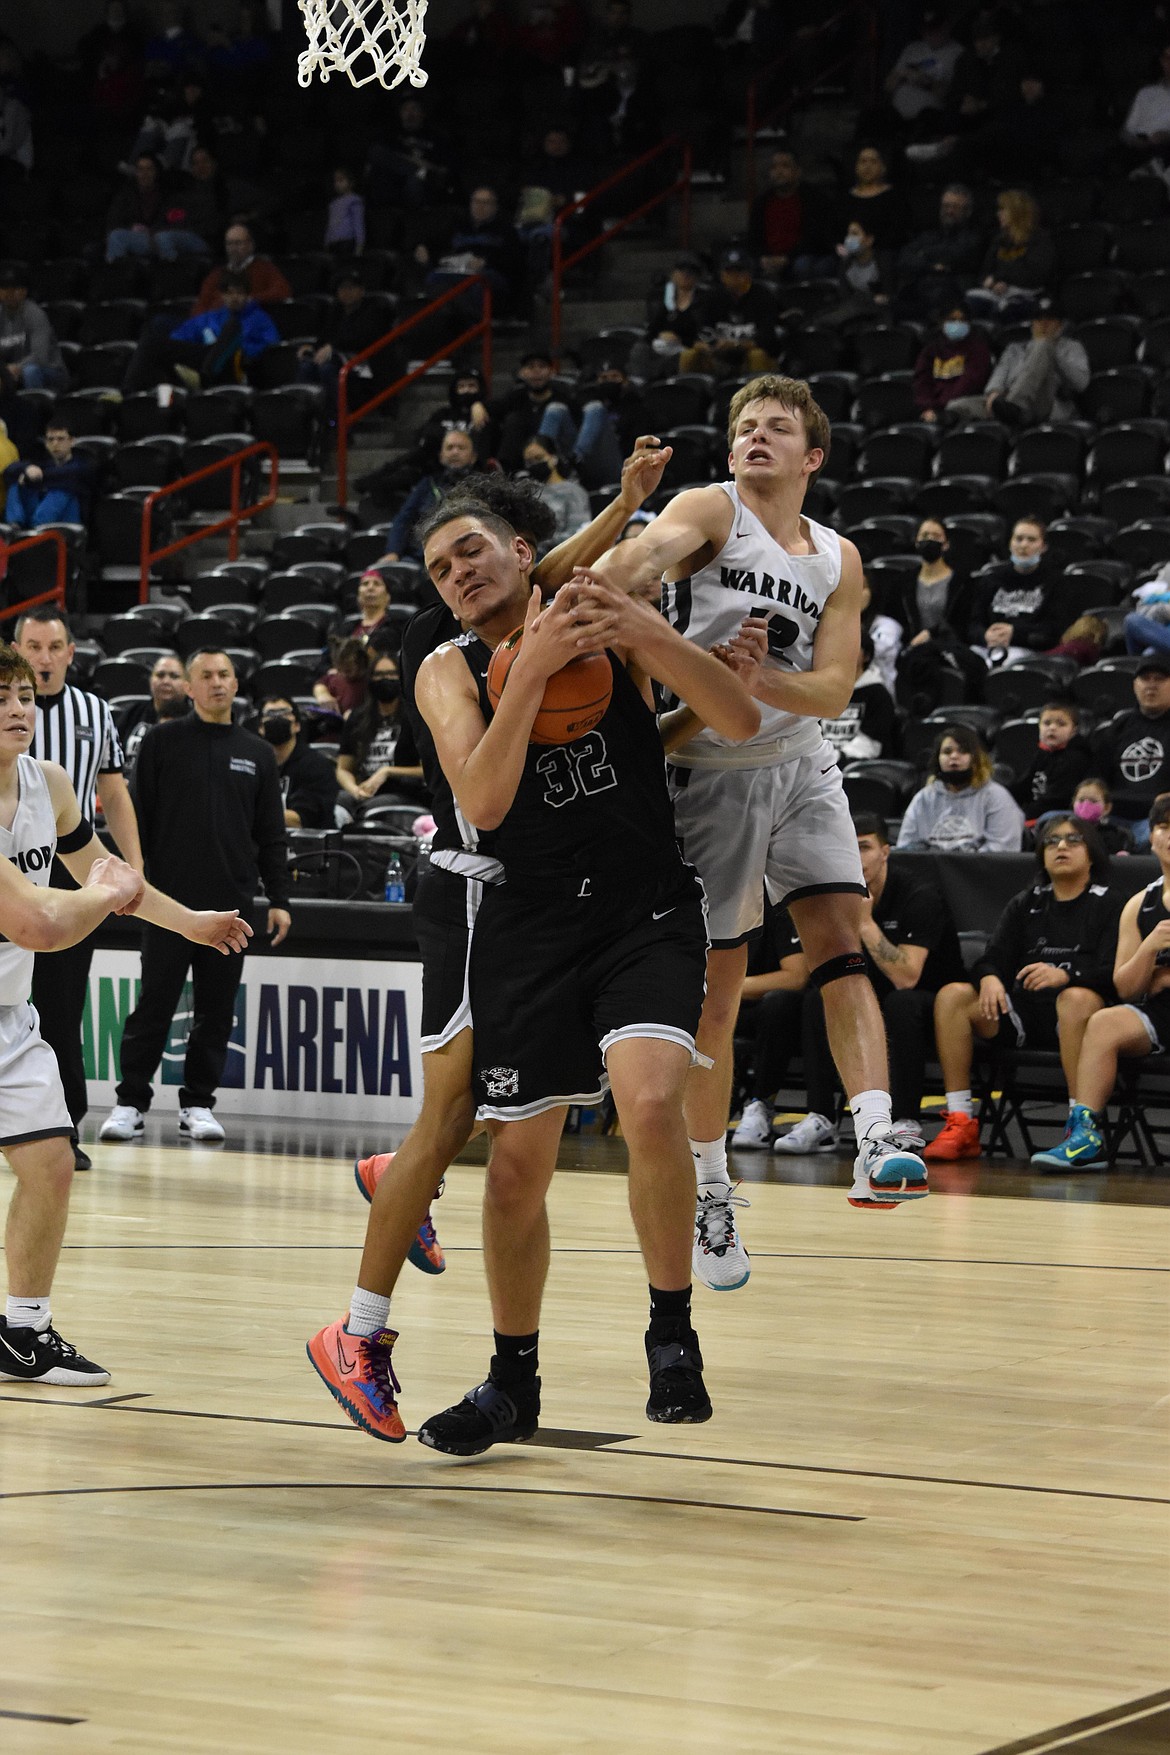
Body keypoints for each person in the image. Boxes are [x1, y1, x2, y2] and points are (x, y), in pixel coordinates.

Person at [311, 499, 758, 1454]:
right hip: (531, 923)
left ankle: (671, 1333)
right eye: (438, 568)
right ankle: (513, 1380)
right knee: (514, 1169)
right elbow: (481, 795)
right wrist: (529, 674)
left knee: (647, 1105)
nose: (457, 571)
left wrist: (640, 628)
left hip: (643, 910)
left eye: (471, 550)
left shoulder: (608, 610)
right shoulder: (444, 669)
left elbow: (734, 714)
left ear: (523, 552)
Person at [588, 374, 933, 1274]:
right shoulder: (711, 508)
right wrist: (623, 575)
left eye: (776, 428)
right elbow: (649, 552)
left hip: (802, 760)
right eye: (744, 426)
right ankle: (710, 1190)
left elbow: (832, 685)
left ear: (812, 455)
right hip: (707, 777)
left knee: (844, 934)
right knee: (719, 996)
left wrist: (760, 683)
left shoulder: (837, 557)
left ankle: (873, 1136)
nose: (754, 438)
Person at [0, 643, 250, 1389]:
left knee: (50, 1163)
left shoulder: (48, 781)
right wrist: (106, 897)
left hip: (9, 1015)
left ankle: (24, 1331)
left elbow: (109, 876)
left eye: (22, 694)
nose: (17, 707)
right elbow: (39, 924)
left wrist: (191, 922)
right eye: (0, 696)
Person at [99, 649, 291, 1146]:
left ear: (236, 682)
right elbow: (134, 818)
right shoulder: (161, 742)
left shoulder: (259, 752)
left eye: (224, 674)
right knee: (154, 1002)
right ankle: (130, 1102)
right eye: (205, 676)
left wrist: (280, 899)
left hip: (232, 905)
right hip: (165, 905)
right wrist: (136, 881)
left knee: (216, 1007)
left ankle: (199, 1104)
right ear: (188, 687)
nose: (216, 683)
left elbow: (271, 835)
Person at [14, 609, 142, 1173]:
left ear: (71, 652)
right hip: (15, 868)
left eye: (54, 646)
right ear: (17, 649)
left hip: (72, 868)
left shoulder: (95, 711)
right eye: (33, 646)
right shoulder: (8, 711)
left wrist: (132, 871)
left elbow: (114, 794)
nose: (43, 657)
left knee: (62, 1010)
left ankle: (62, 1127)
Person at [926, 815, 1122, 1163]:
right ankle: (961, 1122)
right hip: (1023, 1016)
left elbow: (1115, 975)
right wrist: (988, 976)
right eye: (1051, 841)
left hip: (1086, 1019)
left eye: (1073, 840)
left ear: (1092, 854)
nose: (1061, 846)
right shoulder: (1026, 902)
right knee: (953, 996)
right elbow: (992, 958)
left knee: (1075, 997)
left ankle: (1082, 1128)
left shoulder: (1111, 904)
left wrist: (1067, 976)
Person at [776, 811, 965, 1150]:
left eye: (864, 847)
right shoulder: (835, 895)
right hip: (872, 991)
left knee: (899, 1003)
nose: (856, 857)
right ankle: (821, 1117)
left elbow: (906, 976)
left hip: (929, 1000)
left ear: (886, 851)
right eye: (849, 847)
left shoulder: (919, 895)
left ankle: (906, 1118)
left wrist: (864, 923)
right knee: (817, 998)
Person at [1028, 792, 1170, 1171]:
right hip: (1161, 1009)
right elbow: (1126, 987)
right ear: (1152, 838)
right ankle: (1087, 1136)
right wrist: (1149, 949)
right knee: (1104, 1022)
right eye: (1163, 827)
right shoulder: (1141, 903)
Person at [729, 903, 808, 1150]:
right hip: (725, 1005)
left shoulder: (778, 905)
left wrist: (728, 988)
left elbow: (795, 977)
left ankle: (760, 1104)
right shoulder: (700, 897)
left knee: (779, 1005)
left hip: (765, 1007)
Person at [944, 300, 1089, 428]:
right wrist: (994, 393)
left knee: (1043, 345)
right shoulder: (1015, 349)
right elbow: (999, 375)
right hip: (1006, 401)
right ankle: (1011, 411)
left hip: (1045, 402)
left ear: (1061, 325)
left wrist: (1052, 352)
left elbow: (1081, 384)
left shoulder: (1072, 347)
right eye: (1039, 319)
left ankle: (1015, 407)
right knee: (956, 407)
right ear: (1032, 324)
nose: (1044, 324)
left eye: (1050, 319)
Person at [897, 725, 1023, 853]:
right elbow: (906, 849)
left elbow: (1002, 852)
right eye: (947, 752)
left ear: (976, 759)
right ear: (937, 759)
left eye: (963, 751)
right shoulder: (923, 799)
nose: (954, 756)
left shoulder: (996, 797)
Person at [1091, 655, 1170, 847]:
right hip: (1113, 816)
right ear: (1135, 685)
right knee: (1053, 819)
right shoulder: (1120, 725)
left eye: (1159, 679)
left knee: (1150, 837)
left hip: (1159, 819)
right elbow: (1096, 776)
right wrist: (1092, 791)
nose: (1151, 685)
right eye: (1145, 679)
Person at [335, 650, 422, 816]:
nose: (385, 679)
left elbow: (427, 770)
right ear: (370, 679)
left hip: (403, 792)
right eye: (379, 674)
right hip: (363, 789)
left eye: (391, 674)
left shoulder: (415, 717)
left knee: (371, 809)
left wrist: (387, 772)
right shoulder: (357, 717)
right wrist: (354, 789)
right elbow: (343, 768)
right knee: (338, 804)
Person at [162, 270, 281, 391]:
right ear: (222, 296)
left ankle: (204, 378)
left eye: (239, 293)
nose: (234, 298)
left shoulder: (260, 319)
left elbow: (271, 347)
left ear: (248, 295)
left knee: (232, 329)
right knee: (157, 339)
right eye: (229, 293)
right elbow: (178, 337)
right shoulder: (210, 318)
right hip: (207, 362)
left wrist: (242, 349)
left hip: (240, 370)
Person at [967, 516, 1061, 665]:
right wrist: (985, 636)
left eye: (1031, 540)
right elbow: (973, 625)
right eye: (1018, 539)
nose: (1023, 545)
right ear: (1010, 544)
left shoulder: (1054, 582)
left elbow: (1052, 631)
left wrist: (1015, 633)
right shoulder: (991, 579)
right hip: (986, 647)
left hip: (1026, 651)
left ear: (1043, 547)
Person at [376, 429, 479, 563]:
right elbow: (403, 519)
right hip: (424, 557)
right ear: (441, 456)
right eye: (450, 447)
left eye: (461, 448)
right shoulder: (427, 485)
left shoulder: (482, 486)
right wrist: (393, 552)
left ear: (473, 457)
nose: (455, 452)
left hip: (469, 555)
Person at [678, 247, 780, 377]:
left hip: (749, 356)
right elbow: (700, 331)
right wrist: (707, 346)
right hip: (719, 357)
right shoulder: (712, 297)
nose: (734, 276)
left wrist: (736, 345)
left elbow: (768, 339)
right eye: (729, 271)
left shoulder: (763, 296)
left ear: (749, 273)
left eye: (739, 270)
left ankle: (760, 396)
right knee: (689, 355)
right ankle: (689, 395)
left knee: (757, 355)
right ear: (721, 275)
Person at [966, 190, 1055, 321]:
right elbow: (984, 274)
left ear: (1017, 213)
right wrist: (992, 285)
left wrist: (999, 277)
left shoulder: (1039, 239)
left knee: (1007, 309)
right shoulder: (999, 240)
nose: (998, 214)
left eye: (1003, 210)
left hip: (1028, 295)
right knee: (969, 302)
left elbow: (1034, 275)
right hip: (999, 293)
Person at [627, 253, 712, 383]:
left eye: (690, 272)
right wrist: (657, 337)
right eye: (681, 271)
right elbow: (652, 330)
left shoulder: (705, 299)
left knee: (687, 356)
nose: (685, 275)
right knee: (640, 349)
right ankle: (639, 386)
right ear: (674, 274)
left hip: (688, 348)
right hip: (663, 346)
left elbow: (704, 334)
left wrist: (680, 339)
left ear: (697, 276)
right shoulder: (663, 298)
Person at [3, 415, 98, 529]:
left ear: (72, 441)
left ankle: (39, 526)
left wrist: (32, 479)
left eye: (61, 439)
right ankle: (14, 526)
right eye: (51, 439)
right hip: (36, 513)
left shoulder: (82, 466)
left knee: (62, 490)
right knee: (16, 482)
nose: (55, 444)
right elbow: (8, 471)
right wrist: (27, 468)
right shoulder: (44, 464)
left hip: (68, 522)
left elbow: (63, 475)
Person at [258, 696, 339, 829]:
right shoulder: (254, 766)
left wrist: (250, 813)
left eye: (284, 713)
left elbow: (301, 820)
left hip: (310, 845)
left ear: (297, 725)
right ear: (261, 728)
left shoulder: (317, 765)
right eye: (270, 714)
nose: (277, 718)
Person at [821, 632, 896, 761]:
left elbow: (872, 744)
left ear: (866, 656)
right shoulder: (826, 689)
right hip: (823, 761)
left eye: (852, 646)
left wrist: (838, 756)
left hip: (859, 764)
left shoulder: (878, 694)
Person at [1010, 701, 1092, 817]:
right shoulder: (1042, 754)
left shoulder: (1076, 759)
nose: (1052, 728)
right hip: (1036, 814)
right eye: (1047, 723)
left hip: (1058, 817)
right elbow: (1023, 787)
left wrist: (1022, 815)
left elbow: (1056, 800)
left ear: (1073, 731)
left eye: (1061, 724)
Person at [912, 302, 991, 422]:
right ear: (942, 323)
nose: (957, 324)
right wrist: (928, 407)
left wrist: (939, 408)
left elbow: (970, 383)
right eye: (952, 320)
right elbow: (922, 381)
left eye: (962, 320)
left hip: (962, 409)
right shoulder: (931, 350)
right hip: (931, 410)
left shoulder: (978, 349)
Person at [117, 652, 190, 782]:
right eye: (160, 675)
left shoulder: (193, 718)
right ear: (151, 680)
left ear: (187, 684)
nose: (166, 681)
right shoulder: (133, 712)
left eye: (174, 676)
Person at [192, 222, 292, 313]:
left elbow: (282, 292)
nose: (233, 248)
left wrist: (248, 300)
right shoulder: (216, 275)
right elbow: (200, 307)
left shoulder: (265, 268)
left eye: (238, 243)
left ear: (250, 245)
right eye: (229, 244)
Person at [0, 264, 68, 394]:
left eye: (14, 288)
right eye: (4, 288)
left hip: (50, 371)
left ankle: (36, 408)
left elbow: (40, 356)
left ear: (24, 291)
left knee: (30, 371)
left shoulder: (35, 314)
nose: (9, 293)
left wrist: (16, 368)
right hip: (14, 372)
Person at [521, 435, 591, 543]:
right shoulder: (527, 492)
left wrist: (542, 543)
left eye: (539, 458)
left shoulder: (574, 491)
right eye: (529, 462)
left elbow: (579, 532)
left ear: (553, 458)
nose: (535, 464)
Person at [1120, 42, 1170, 170]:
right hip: (1139, 147)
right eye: (1167, 58)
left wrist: (1166, 136)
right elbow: (1126, 131)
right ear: (1162, 62)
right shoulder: (1146, 93)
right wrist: (1136, 142)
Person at [324, 164, 365, 255]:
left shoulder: (354, 200)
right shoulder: (333, 204)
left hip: (347, 242)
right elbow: (330, 225)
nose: (337, 184)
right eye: (336, 181)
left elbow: (358, 223)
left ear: (351, 182)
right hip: (333, 243)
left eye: (341, 180)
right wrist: (326, 243)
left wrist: (359, 246)